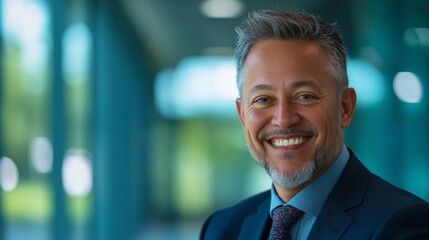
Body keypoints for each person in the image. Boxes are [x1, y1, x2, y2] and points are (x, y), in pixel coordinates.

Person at [200, 9, 429, 240]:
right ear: (242, 116)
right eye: (263, 100)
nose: (283, 119)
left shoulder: (403, 224)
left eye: (305, 96)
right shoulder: (221, 228)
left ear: (345, 107)